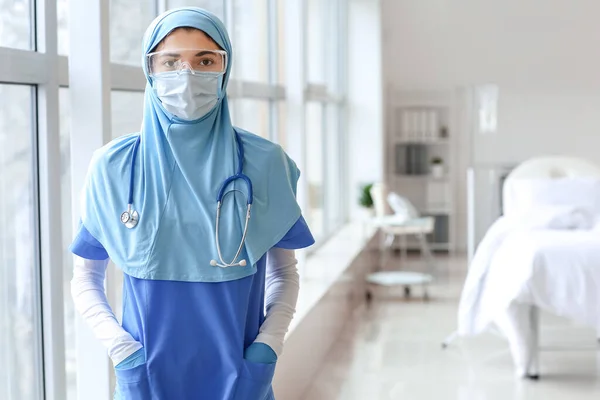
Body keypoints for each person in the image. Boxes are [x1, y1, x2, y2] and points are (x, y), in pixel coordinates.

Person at [69, 7, 314, 400]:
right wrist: (123, 352)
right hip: (146, 377)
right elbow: (85, 279)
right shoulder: (113, 167)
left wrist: (267, 347)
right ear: (150, 70)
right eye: (171, 61)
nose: (187, 75)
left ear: (224, 68)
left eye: (204, 60)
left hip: (240, 378)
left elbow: (283, 274)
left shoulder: (266, 163)